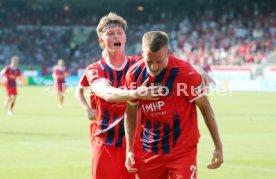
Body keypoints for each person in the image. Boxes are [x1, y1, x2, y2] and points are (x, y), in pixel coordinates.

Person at [77, 12, 214, 179]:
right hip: (107, 141)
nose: (116, 36)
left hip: (135, 144)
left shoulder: (139, 64)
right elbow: (105, 92)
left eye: (119, 32)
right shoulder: (95, 69)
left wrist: (195, 67)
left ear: (125, 38)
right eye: (110, 34)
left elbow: (166, 60)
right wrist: (134, 93)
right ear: (101, 41)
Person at [124, 31, 223, 179]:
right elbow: (130, 112)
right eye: (149, 60)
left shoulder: (186, 73)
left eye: (159, 61)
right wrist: (129, 149)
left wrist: (218, 146)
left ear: (168, 53)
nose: (154, 66)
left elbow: (205, 107)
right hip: (149, 150)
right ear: (142, 53)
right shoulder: (133, 75)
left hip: (182, 151)